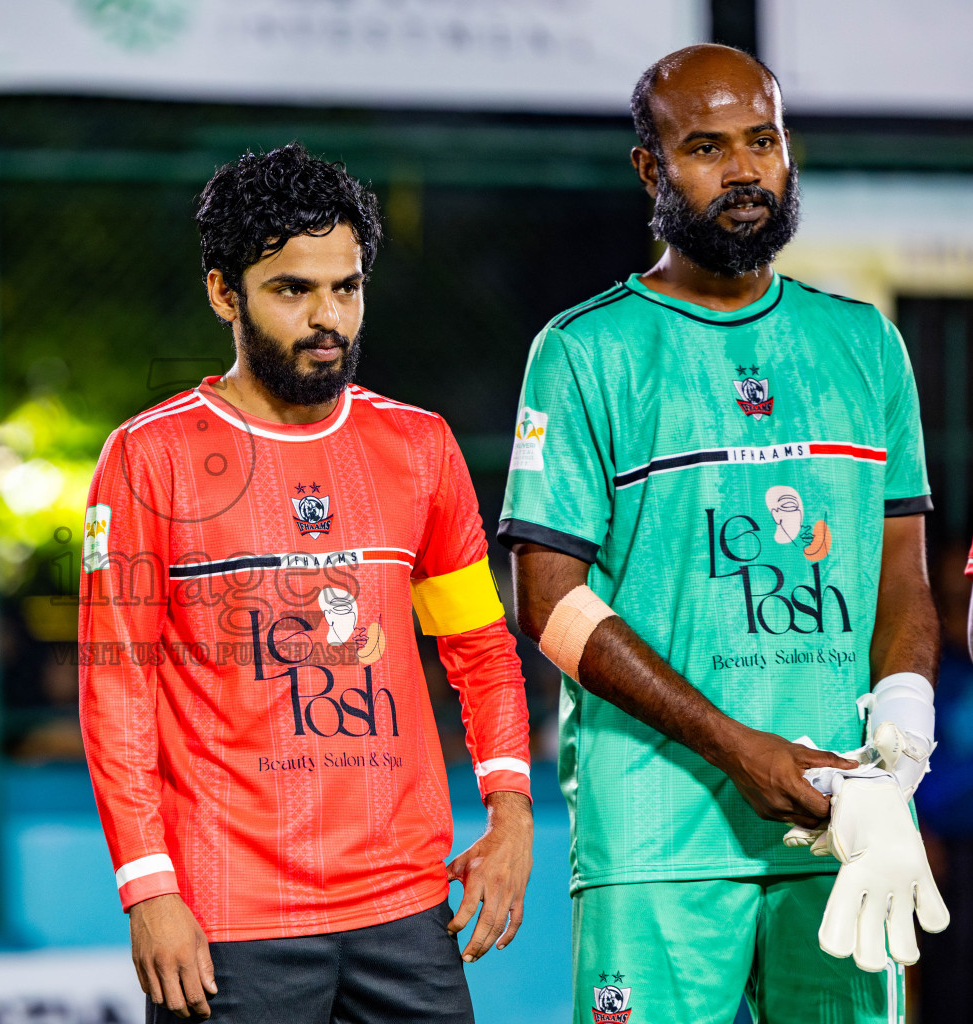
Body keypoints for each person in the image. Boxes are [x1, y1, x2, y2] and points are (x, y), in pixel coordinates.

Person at [499, 44, 946, 1024]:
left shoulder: (865, 343)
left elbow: (903, 574)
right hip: (658, 840)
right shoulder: (583, 351)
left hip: (836, 828)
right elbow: (549, 601)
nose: (744, 171)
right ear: (651, 169)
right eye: (706, 147)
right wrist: (738, 746)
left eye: (763, 141)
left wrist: (899, 745)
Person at [79, 143, 534, 1023]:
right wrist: (148, 889)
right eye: (293, 289)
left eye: (347, 287)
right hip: (228, 923)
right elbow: (117, 690)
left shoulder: (421, 449)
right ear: (224, 293)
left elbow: (478, 644)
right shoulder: (148, 457)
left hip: (407, 912)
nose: (328, 317)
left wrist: (509, 808)